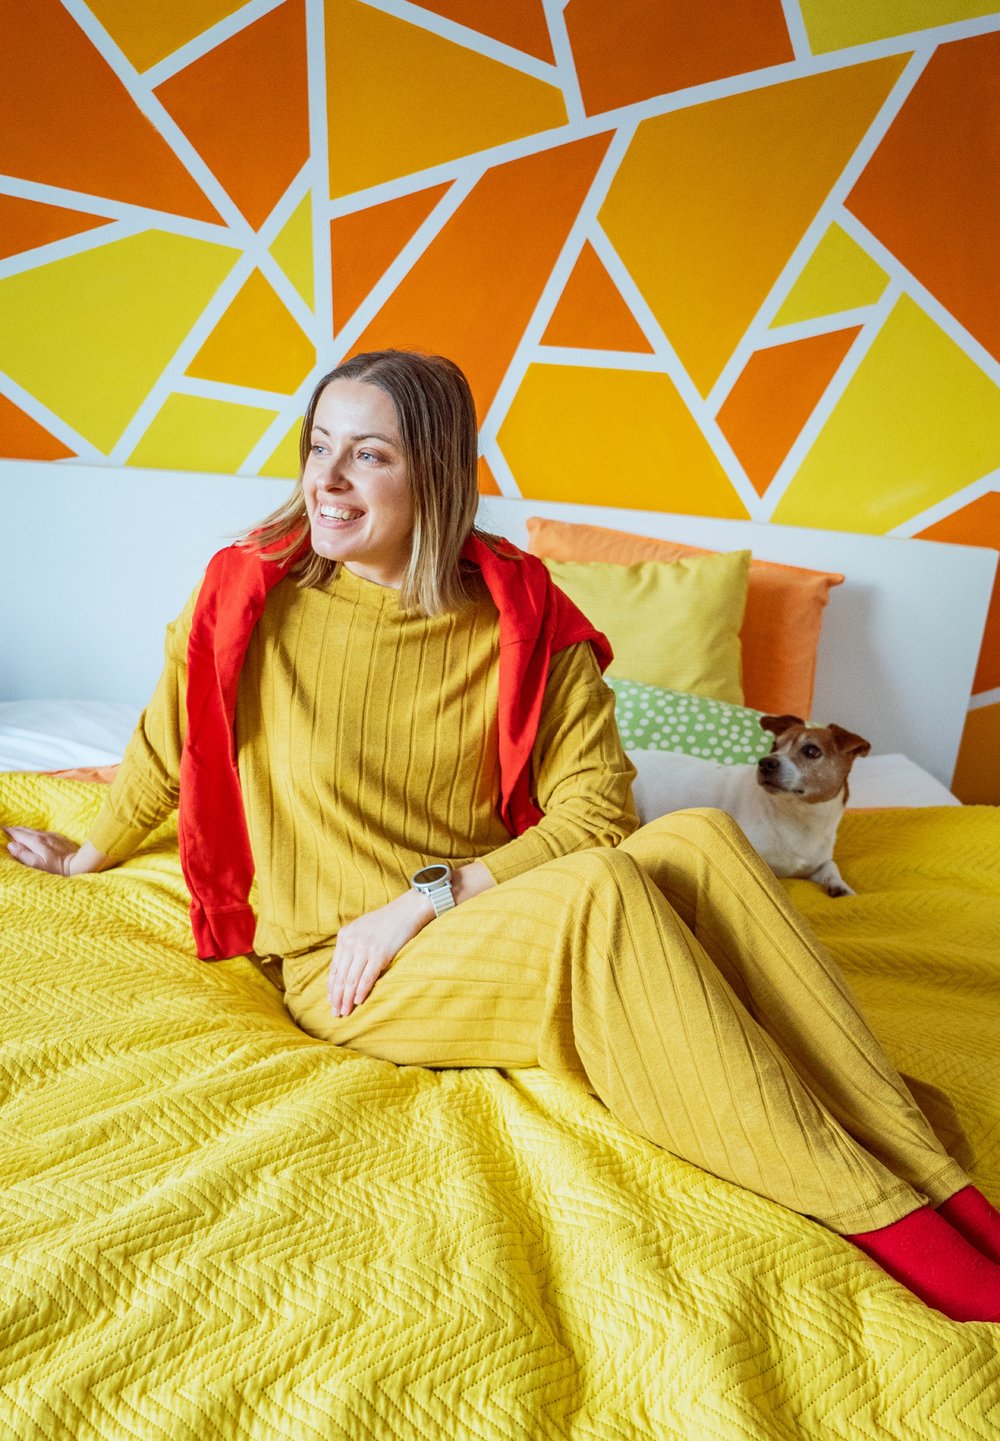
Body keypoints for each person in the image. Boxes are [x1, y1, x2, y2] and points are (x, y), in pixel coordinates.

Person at [6, 348, 1000, 1324]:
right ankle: (901, 1229)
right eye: (319, 447)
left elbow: (597, 810)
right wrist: (93, 847)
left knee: (696, 836)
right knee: (603, 892)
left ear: (435, 472)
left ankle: (934, 1176)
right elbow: (168, 732)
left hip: (443, 912)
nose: (329, 481)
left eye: (370, 455)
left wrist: (418, 901)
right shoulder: (248, 593)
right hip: (339, 963)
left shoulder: (523, 611)